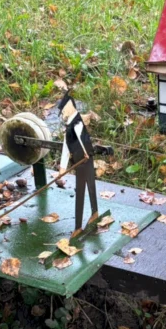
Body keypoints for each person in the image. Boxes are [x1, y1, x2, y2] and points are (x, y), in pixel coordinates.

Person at [58, 94, 98, 231]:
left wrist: (86, 153)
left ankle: (92, 214)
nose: (62, 113)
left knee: (89, 187)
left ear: (70, 107)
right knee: (81, 190)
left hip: (85, 159)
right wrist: (62, 168)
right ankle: (79, 225)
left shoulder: (77, 123)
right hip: (79, 160)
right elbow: (66, 147)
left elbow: (82, 140)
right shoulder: (69, 126)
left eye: (64, 110)